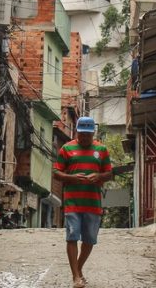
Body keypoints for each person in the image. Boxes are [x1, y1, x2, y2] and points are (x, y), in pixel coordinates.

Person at [53, 116, 112, 288]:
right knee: (72, 237)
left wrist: (99, 176)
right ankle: (75, 277)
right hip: (72, 202)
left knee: (89, 240)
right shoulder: (66, 148)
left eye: (88, 134)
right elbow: (56, 172)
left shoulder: (101, 149)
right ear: (77, 132)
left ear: (93, 132)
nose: (85, 137)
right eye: (82, 134)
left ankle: (78, 270)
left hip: (93, 203)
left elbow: (109, 173)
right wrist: (71, 177)